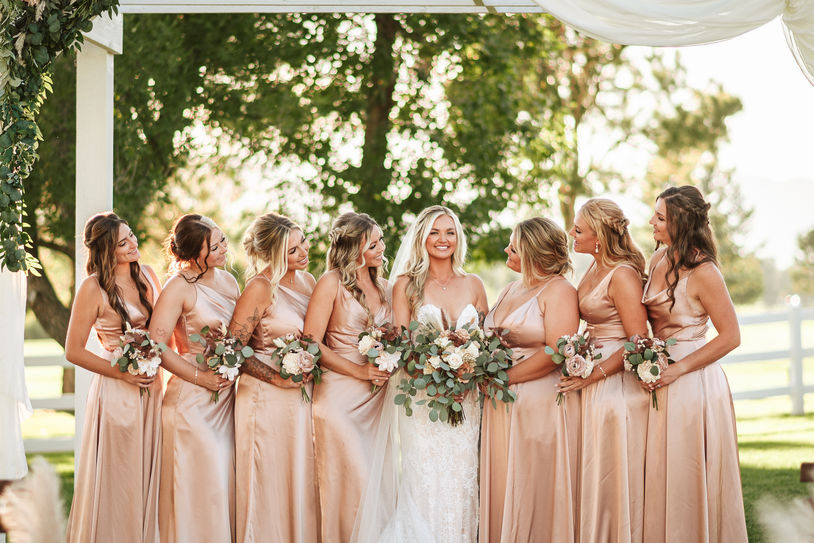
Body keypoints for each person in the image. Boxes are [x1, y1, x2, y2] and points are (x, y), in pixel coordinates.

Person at [353, 205, 488, 543]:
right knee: (425, 480)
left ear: (458, 238)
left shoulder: (474, 284)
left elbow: (487, 343)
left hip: (466, 400)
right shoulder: (406, 285)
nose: (443, 240)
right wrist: (436, 376)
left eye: (450, 232)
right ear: (422, 237)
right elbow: (402, 347)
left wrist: (466, 376)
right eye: (434, 232)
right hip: (425, 401)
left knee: (461, 480)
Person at [641, 186, 748, 542]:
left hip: (693, 383)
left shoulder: (704, 272)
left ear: (681, 222)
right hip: (656, 377)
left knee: (687, 472)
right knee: (658, 472)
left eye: (660, 217)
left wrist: (678, 369)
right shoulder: (657, 259)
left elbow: (730, 336)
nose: (652, 222)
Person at [479, 217, 580, 543]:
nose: (507, 248)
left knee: (531, 483)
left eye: (514, 245)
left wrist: (505, 378)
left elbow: (556, 350)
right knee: (503, 481)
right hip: (499, 403)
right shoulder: (511, 287)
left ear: (534, 252)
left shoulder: (560, 290)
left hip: (536, 402)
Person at [65, 212, 162, 543]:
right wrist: (124, 374)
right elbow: (74, 351)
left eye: (132, 235)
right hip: (117, 391)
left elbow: (164, 333)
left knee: (151, 471)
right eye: (123, 243)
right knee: (121, 474)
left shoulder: (147, 275)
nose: (133, 244)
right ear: (106, 250)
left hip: (153, 387)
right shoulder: (92, 288)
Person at [561, 199, 649, 542]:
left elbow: (638, 341)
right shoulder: (595, 266)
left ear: (598, 235)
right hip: (591, 374)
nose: (572, 233)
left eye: (578, 229)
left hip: (615, 383)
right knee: (593, 466)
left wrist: (595, 373)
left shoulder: (622, 275)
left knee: (612, 469)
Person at [228, 212, 320, 543]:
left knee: (298, 476)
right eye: (294, 250)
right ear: (275, 253)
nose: (304, 252)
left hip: (300, 396)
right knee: (266, 477)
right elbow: (232, 351)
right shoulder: (259, 288)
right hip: (264, 397)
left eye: (303, 242)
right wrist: (277, 378)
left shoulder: (308, 282)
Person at [149, 214, 240, 543]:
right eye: (213, 246)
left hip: (226, 399)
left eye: (222, 240)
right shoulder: (178, 287)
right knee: (200, 482)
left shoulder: (229, 282)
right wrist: (202, 378)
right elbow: (157, 346)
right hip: (191, 400)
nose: (222, 249)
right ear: (192, 254)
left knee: (223, 481)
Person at [303, 212, 391, 543]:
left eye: (381, 240)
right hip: (339, 398)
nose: (382, 247)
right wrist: (358, 370)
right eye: (374, 242)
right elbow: (310, 343)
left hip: (375, 400)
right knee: (357, 482)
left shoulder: (384, 285)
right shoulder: (331, 283)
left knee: (375, 488)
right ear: (354, 248)